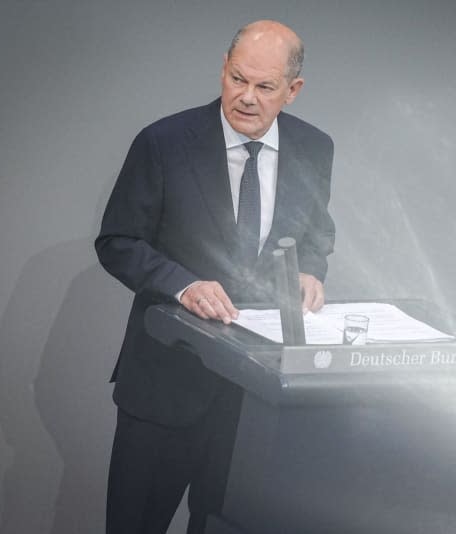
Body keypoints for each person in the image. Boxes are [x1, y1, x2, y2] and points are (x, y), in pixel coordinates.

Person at [95, 20, 335, 534]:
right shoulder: (163, 142)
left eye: (264, 86)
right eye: (236, 78)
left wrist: (311, 269)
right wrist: (183, 284)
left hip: (258, 402)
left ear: (292, 91)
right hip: (166, 387)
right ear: (223, 69)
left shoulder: (316, 149)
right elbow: (118, 241)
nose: (245, 97)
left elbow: (317, 233)